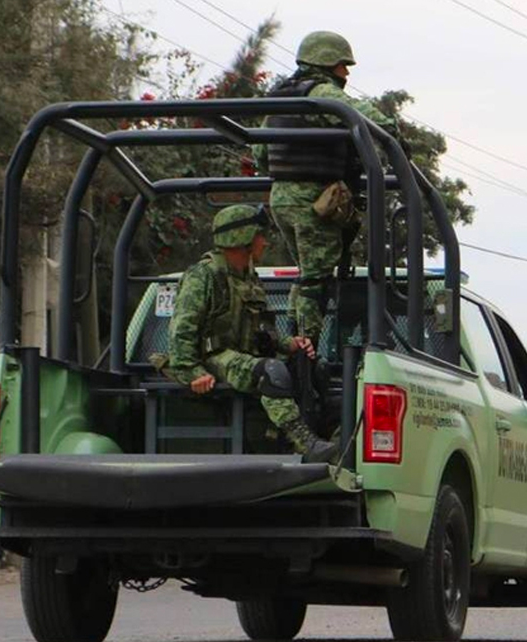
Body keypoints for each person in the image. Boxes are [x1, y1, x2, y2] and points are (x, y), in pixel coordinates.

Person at [252, 30, 400, 341]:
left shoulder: (279, 98)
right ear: (325, 63)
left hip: (281, 198)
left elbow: (260, 155)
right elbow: (373, 122)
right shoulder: (324, 94)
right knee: (315, 282)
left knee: (307, 276)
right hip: (315, 201)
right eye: (342, 66)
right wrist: (391, 135)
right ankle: (305, 354)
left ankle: (294, 342)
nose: (346, 73)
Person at [165, 204, 337, 462]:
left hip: (245, 358)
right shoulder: (204, 275)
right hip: (214, 357)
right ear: (242, 237)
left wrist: (292, 345)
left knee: (313, 365)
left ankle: (330, 435)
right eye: (260, 235)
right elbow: (181, 331)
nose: (265, 243)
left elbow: (264, 332)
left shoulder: (249, 277)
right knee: (272, 372)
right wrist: (192, 372)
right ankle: (304, 443)